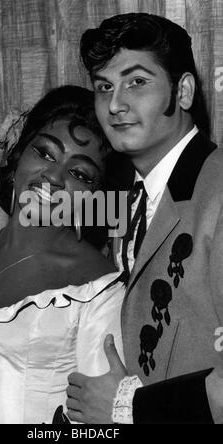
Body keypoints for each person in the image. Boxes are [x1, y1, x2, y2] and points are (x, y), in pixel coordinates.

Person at [0, 85, 125, 424]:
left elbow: (99, 424)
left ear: (95, 197)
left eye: (80, 174)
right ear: (15, 158)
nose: (54, 177)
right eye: (46, 153)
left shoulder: (98, 288)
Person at [66, 13, 223, 424]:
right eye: (104, 87)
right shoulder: (126, 199)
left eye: (137, 82)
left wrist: (129, 409)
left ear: (183, 91)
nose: (115, 104)